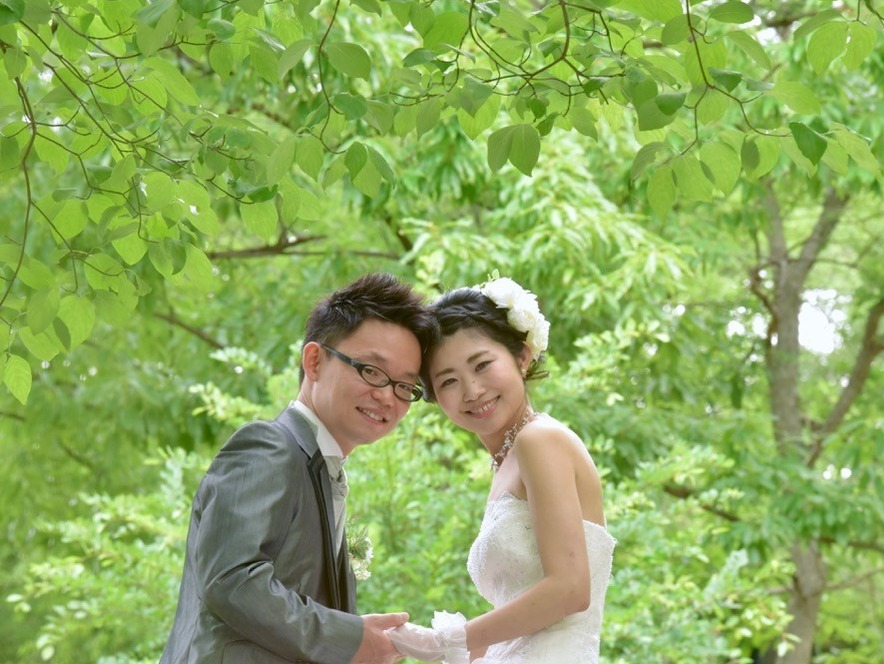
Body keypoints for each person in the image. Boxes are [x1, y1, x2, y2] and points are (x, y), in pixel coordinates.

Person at [160, 272, 437, 663]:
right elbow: (231, 579)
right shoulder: (268, 447)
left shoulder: (323, 471)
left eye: (405, 386)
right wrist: (349, 637)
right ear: (314, 360)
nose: (387, 396)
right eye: (372, 371)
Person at [388, 278, 615, 664]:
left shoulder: (539, 440)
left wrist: (443, 641)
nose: (472, 390)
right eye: (449, 381)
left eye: (482, 365)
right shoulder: (508, 462)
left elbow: (570, 590)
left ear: (522, 357)